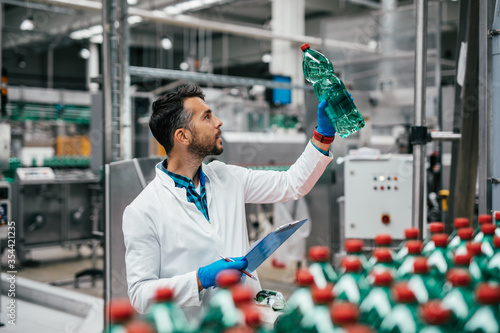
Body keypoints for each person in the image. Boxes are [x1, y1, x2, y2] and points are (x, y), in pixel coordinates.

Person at [122, 83, 336, 317]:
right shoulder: (143, 210)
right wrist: (199, 279)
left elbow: (291, 184)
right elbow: (140, 295)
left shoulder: (227, 176)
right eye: (207, 117)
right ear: (182, 136)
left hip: (246, 318)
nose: (218, 122)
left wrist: (322, 136)